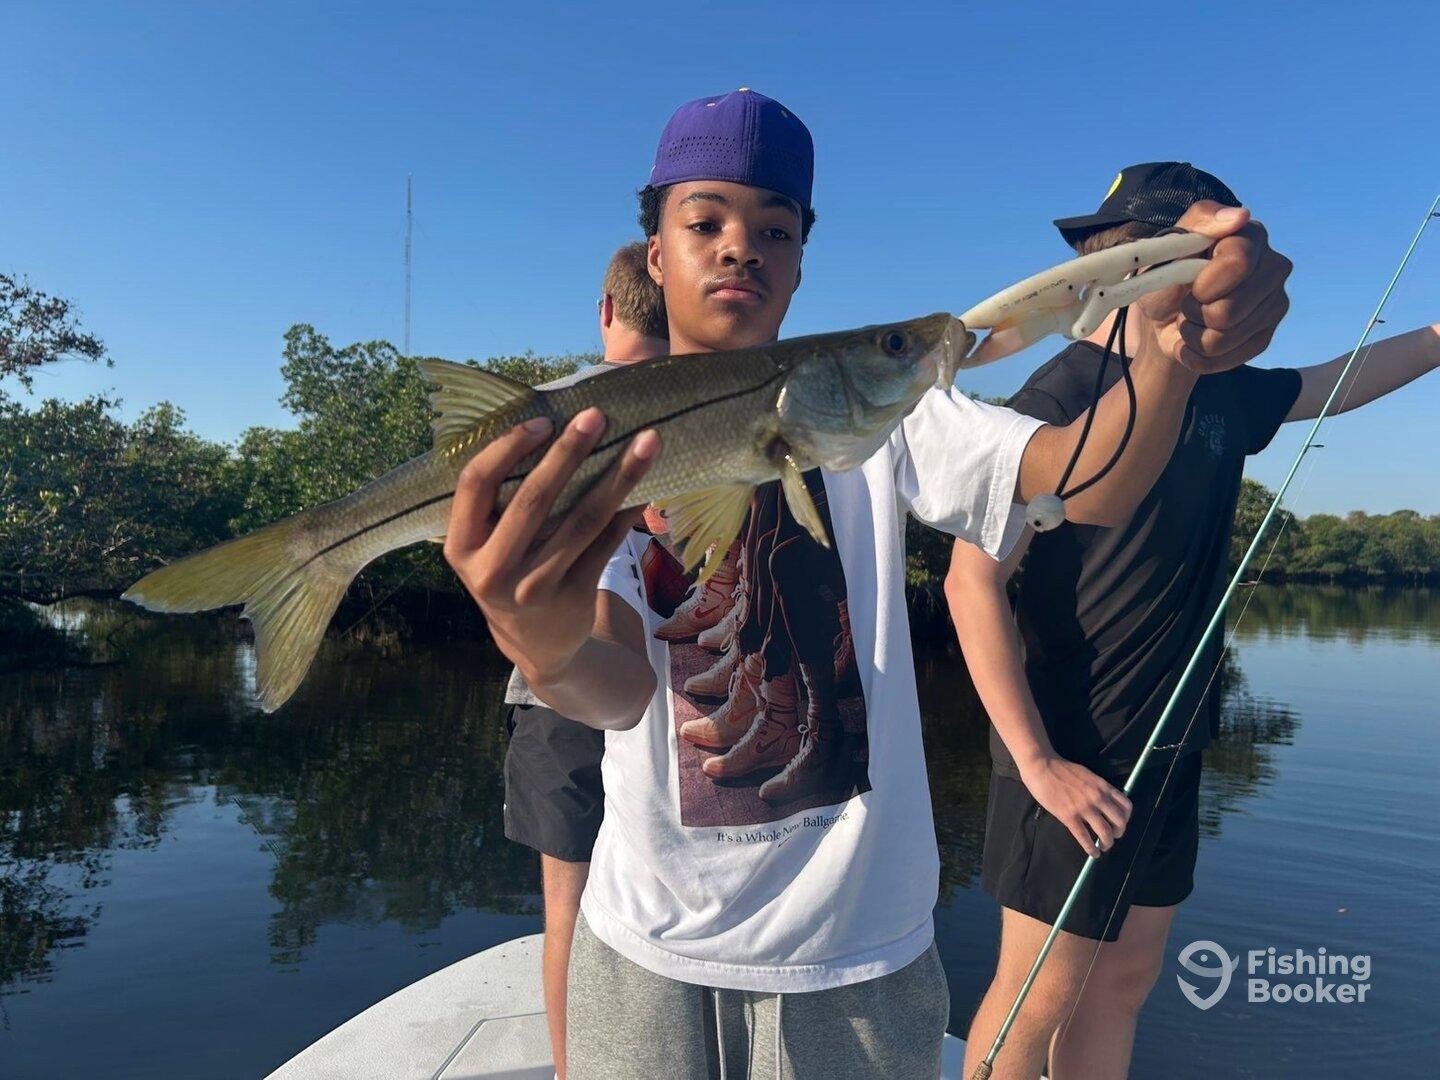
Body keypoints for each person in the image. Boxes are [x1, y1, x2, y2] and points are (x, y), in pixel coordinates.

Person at [444, 95, 1291, 1079]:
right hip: (643, 945)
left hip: (857, 957)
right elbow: (621, 690)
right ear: (654, 256)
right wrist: (533, 638)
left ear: (802, 264)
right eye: (704, 221)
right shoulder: (604, 447)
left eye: (775, 228)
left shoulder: (883, 409)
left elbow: (1081, 481)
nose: (740, 249)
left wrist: (1169, 361)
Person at [948, 162, 1440, 1080]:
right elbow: (969, 584)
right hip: (1069, 749)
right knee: (1037, 994)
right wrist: (1038, 764)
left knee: (1126, 978)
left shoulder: (1226, 387)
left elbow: (1340, 379)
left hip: (1173, 742)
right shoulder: (1060, 394)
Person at [499, 240, 669, 1080]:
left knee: (566, 902)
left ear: (605, 312)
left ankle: (573, 1071)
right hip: (682, 688)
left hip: (552, 685)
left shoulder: (542, 415)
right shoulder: (702, 398)